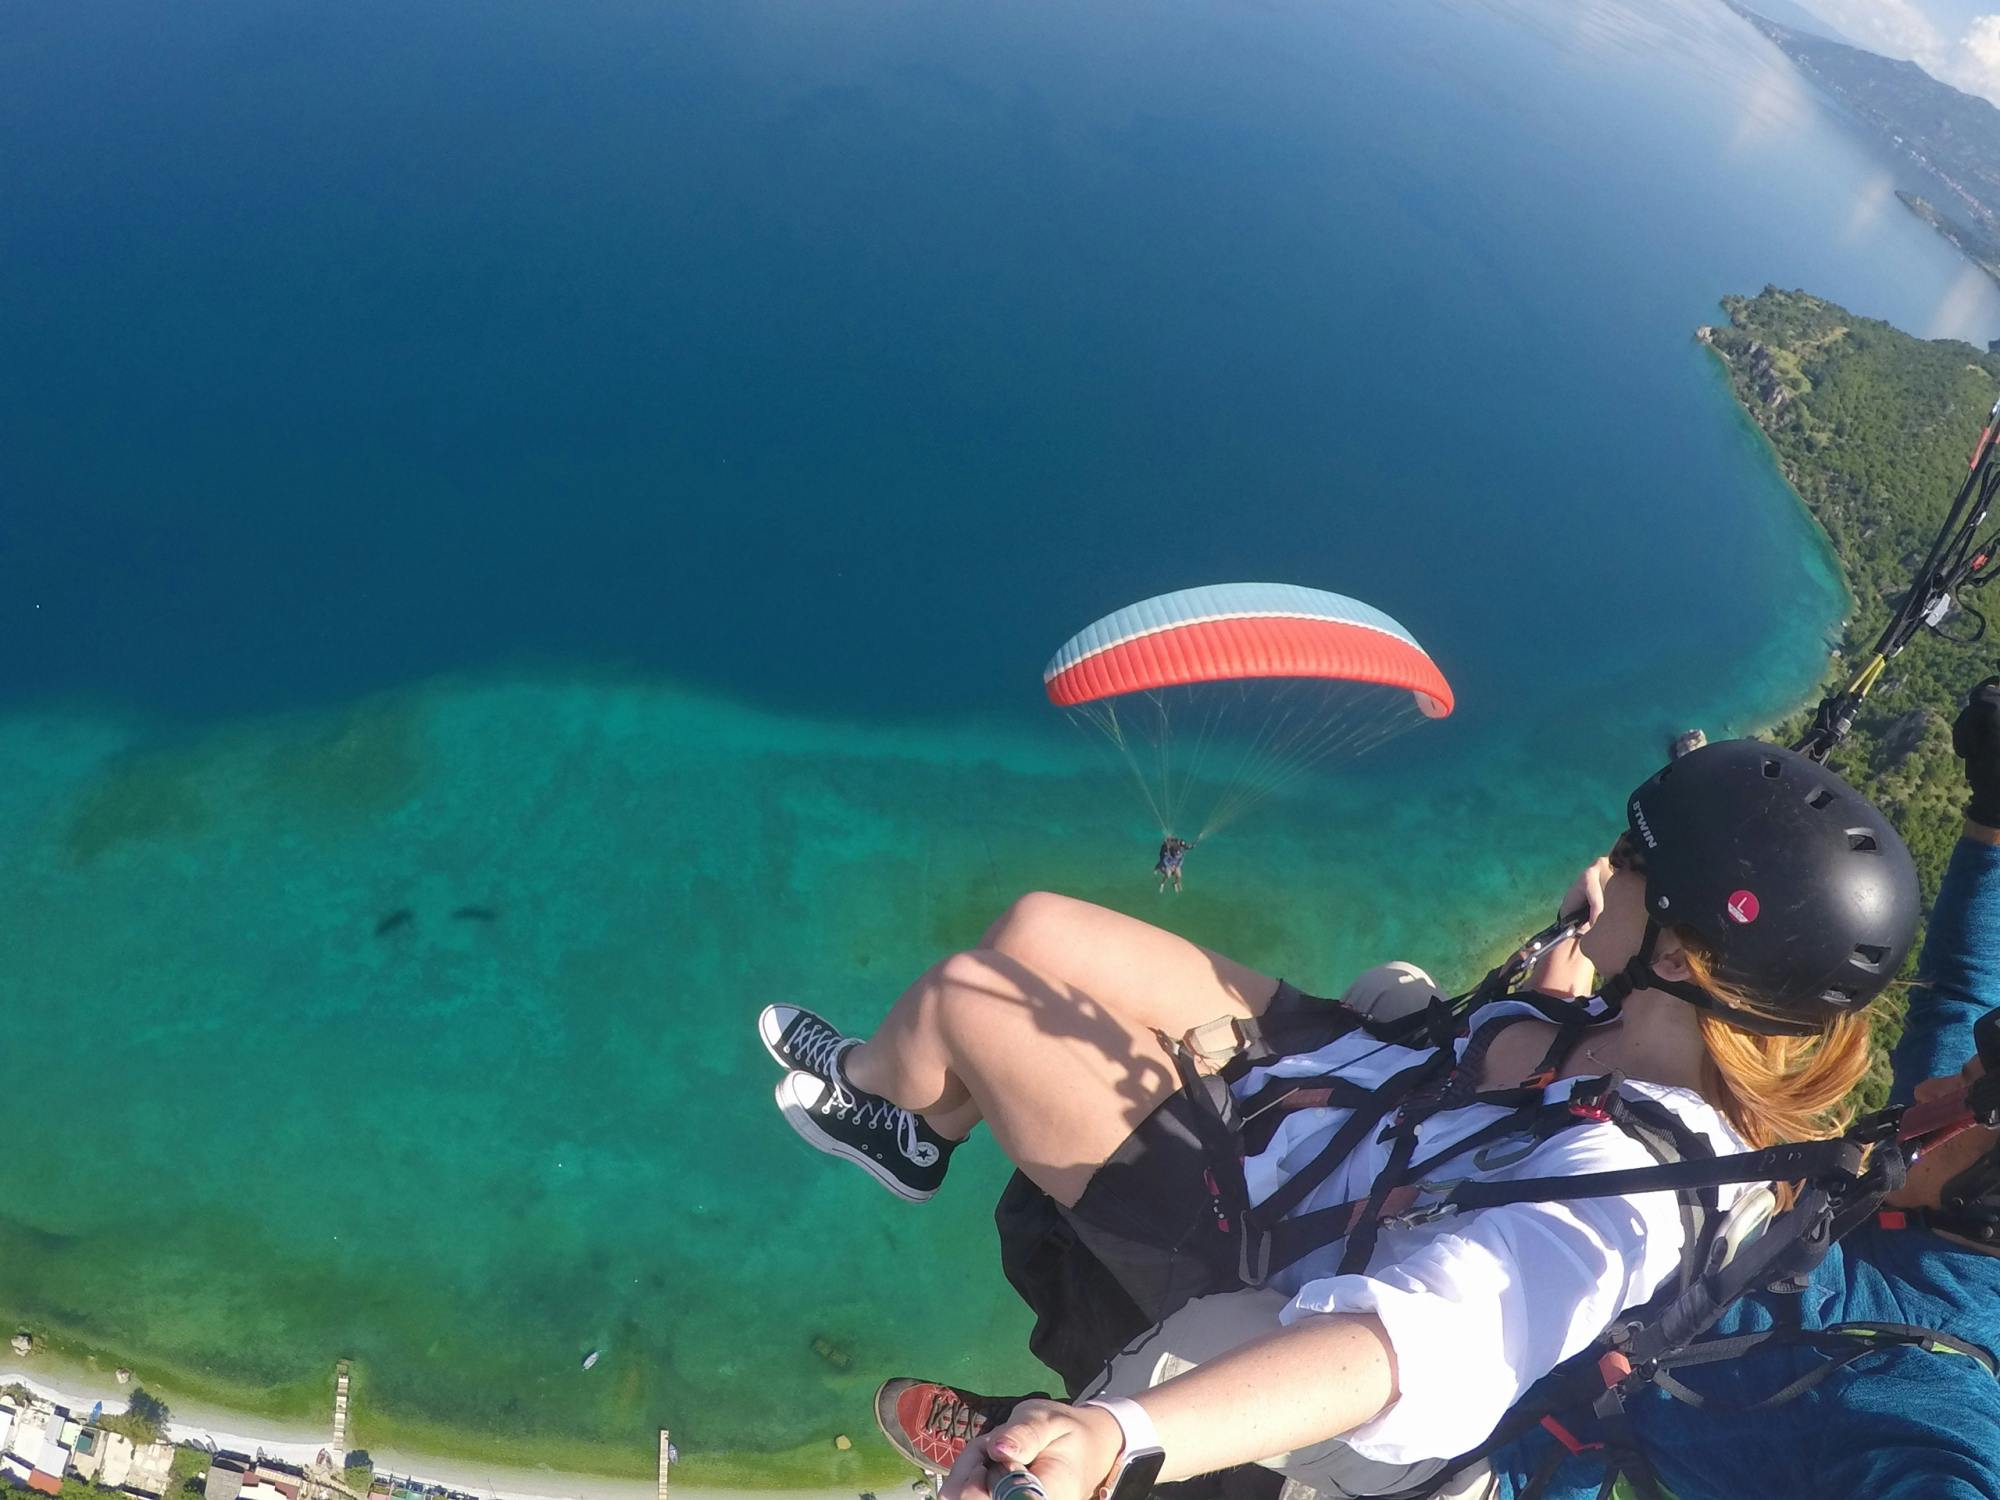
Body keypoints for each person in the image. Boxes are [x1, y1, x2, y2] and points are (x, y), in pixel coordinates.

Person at [755, 742, 1920, 1500]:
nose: (1592, 869)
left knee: (968, 999)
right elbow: (1543, 1019)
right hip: (1335, 1082)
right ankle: (899, 1114)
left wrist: (1121, 1438)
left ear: (1679, 950)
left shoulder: (1630, 1191)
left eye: (1624, 862)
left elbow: (1413, 1348)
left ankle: (902, 1111)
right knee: (1035, 926)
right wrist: (1566, 968)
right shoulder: (1624, 1009)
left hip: (1258, 1224)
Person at [1477, 680, 2000, 1500]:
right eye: (1965, 1070)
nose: (1933, 1084)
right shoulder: (1937, 1190)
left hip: (1496, 1456)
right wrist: (1994, 824)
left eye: (1964, 1096)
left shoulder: (1923, 1375)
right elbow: (1962, 991)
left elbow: (1942, 1467)